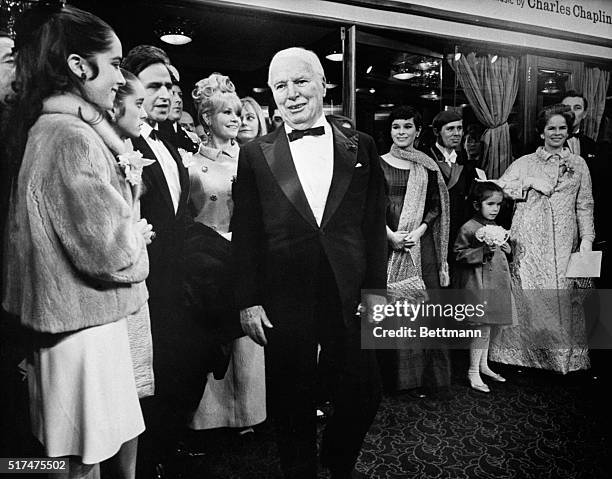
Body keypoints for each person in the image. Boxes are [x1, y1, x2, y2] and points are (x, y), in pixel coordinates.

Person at [3, 4, 153, 478]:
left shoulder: (46, 128)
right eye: (114, 64)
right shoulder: (72, 136)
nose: (119, 78)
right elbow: (106, 252)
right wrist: (136, 237)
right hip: (83, 330)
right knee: (79, 462)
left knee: (69, 456)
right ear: (77, 66)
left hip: (68, 326)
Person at [232, 47, 387, 479]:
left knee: (365, 390)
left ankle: (337, 461)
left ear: (323, 84)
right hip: (284, 295)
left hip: (350, 292)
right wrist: (248, 300)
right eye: (280, 86)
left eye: (300, 82)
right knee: (290, 398)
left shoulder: (363, 146)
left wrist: (377, 294)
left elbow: (374, 229)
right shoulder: (254, 154)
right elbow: (245, 234)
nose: (291, 94)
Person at [122, 45, 211, 478]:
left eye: (169, 85)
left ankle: (167, 447)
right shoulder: (122, 142)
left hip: (180, 285)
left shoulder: (172, 144)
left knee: (183, 370)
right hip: (141, 286)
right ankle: (151, 458)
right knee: (149, 378)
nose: (165, 93)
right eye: (154, 85)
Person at [489, 104, 595, 374]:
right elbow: (496, 189)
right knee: (528, 294)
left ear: (568, 131)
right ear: (541, 132)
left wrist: (587, 242)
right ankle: (522, 357)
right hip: (529, 240)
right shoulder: (525, 162)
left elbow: (585, 205)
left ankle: (560, 359)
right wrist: (529, 183)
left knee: (561, 295)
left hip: (563, 240)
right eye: (551, 128)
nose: (557, 133)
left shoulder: (579, 164)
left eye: (562, 128)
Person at [188, 75, 266, 433]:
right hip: (208, 260)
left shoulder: (252, 159)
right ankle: (210, 418)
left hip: (246, 253)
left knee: (247, 339)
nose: (237, 119)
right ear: (206, 118)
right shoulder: (189, 164)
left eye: (239, 113)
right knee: (213, 336)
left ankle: (249, 414)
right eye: (226, 113)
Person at [379, 106, 451, 394]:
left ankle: (422, 380)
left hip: (419, 248)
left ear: (418, 132)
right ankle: (388, 381)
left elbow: (435, 206)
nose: (401, 132)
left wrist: (419, 233)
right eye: (396, 126)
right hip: (385, 243)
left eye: (407, 127)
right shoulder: (378, 163)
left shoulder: (427, 166)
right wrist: (391, 236)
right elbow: (370, 207)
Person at [453, 181, 514, 393]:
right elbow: (458, 254)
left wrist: (507, 249)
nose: (495, 209)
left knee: (488, 326)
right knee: (480, 327)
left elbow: (501, 256)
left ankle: (483, 365)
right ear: (477, 205)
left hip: (494, 283)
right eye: (490, 204)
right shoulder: (469, 227)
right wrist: (482, 251)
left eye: (499, 204)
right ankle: (472, 371)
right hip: (477, 284)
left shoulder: (497, 227)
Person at [425, 110, 478, 253]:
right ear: (437, 132)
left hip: (458, 225)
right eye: (450, 129)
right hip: (434, 225)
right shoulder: (426, 158)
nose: (457, 133)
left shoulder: (464, 160)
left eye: (459, 128)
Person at [159, 79, 199, 153]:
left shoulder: (188, 136)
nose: (178, 100)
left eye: (180, 95)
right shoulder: (155, 135)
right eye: (172, 94)